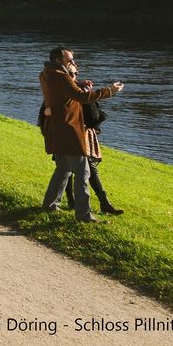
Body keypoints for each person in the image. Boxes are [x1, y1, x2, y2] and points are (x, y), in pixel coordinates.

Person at [40, 48, 123, 223]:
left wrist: (76, 82)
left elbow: (65, 94)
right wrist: (109, 90)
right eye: (69, 60)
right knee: (83, 172)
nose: (72, 63)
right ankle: (84, 215)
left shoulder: (47, 73)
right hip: (68, 129)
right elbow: (81, 97)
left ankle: (50, 204)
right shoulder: (60, 76)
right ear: (58, 59)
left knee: (62, 169)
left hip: (57, 128)